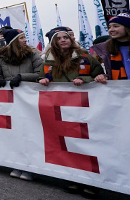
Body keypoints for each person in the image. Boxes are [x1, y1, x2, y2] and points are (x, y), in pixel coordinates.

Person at [38, 27, 105, 198]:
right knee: (69, 145)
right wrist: (43, 79)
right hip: (63, 111)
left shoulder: (86, 58)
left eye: (66, 37)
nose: (63, 40)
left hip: (84, 109)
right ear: (54, 43)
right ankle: (74, 177)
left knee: (86, 144)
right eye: (59, 38)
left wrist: (86, 79)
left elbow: (101, 77)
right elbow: (41, 77)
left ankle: (92, 182)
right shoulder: (48, 62)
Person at [0, 29, 43, 181]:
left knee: (29, 132)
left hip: (29, 98)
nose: (25, 40)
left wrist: (22, 77)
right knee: (14, 132)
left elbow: (41, 72)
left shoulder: (32, 54)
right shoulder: (1, 57)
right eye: (21, 38)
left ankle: (30, 167)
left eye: (25, 37)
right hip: (11, 99)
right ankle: (18, 163)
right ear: (14, 40)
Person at [92, 12, 129, 81]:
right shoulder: (107, 49)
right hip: (120, 89)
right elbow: (111, 74)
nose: (111, 30)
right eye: (109, 27)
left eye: (116, 26)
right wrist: (104, 77)